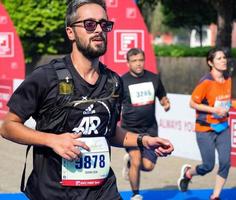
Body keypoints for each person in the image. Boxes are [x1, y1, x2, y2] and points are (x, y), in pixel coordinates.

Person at [0, 1, 174, 200]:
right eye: (90, 24)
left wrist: (143, 140)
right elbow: (8, 127)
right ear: (71, 32)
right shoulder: (46, 77)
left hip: (103, 191)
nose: (99, 30)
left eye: (104, 24)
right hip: (54, 193)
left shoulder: (114, 81)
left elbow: (110, 132)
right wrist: (52, 140)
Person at [177, 47, 231, 200]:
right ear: (210, 63)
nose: (223, 60)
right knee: (208, 165)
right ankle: (188, 173)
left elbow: (228, 101)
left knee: (226, 162)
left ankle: (215, 195)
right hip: (205, 129)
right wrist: (214, 109)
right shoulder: (206, 82)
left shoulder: (229, 79)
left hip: (223, 128)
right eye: (219, 58)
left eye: (224, 57)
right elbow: (192, 103)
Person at [121, 48, 170, 200]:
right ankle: (136, 195)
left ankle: (129, 165)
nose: (138, 64)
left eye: (141, 60)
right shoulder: (122, 81)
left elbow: (162, 95)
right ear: (128, 63)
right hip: (130, 130)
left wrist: (165, 103)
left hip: (150, 130)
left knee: (148, 166)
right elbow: (116, 104)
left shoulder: (154, 78)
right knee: (136, 159)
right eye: (134, 61)